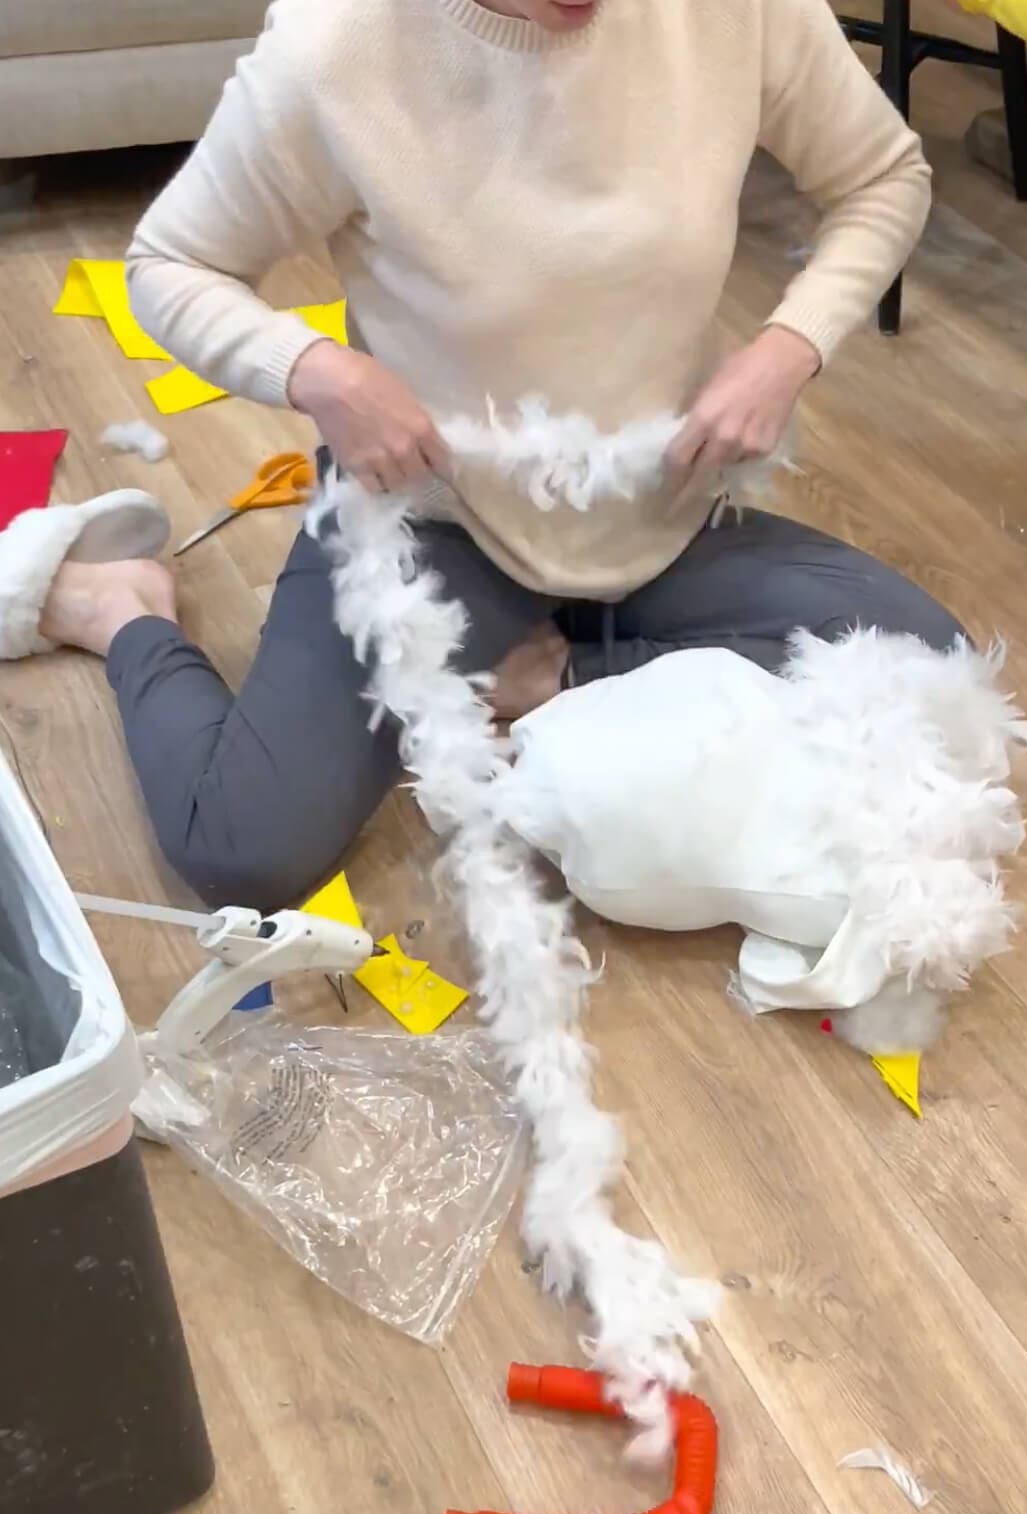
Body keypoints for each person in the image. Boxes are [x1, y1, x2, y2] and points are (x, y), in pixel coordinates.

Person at [32, 0, 964, 914]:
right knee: (243, 851)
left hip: (662, 506)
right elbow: (169, 266)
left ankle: (546, 677)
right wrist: (318, 370)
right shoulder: (334, 44)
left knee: (931, 663)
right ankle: (127, 613)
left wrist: (790, 347)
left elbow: (884, 175)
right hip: (438, 527)